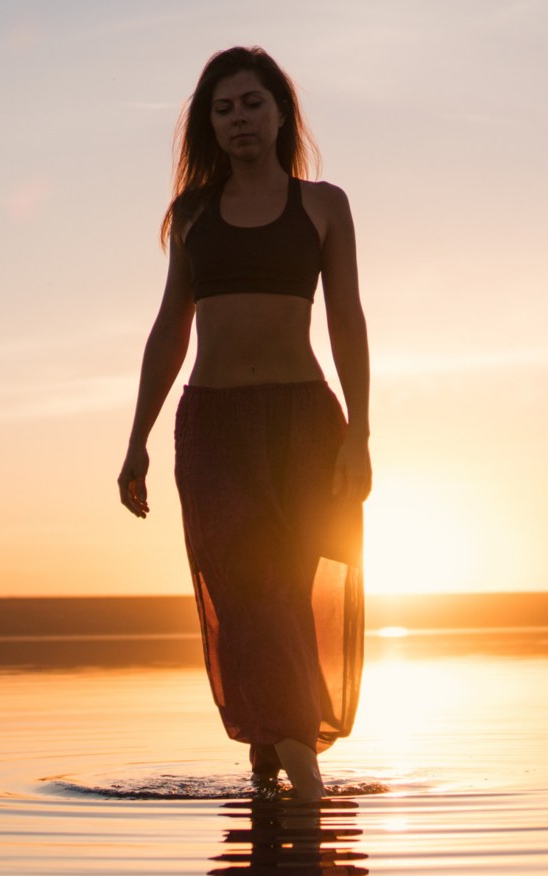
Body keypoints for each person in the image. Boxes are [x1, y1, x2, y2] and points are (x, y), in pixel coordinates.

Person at [117, 46, 371, 802]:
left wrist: (358, 433)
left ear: (280, 112)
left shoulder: (324, 205)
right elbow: (169, 329)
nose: (239, 120)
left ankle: (276, 769)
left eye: (251, 104)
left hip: (304, 424)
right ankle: (304, 783)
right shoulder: (193, 215)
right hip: (214, 430)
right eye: (223, 109)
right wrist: (135, 440)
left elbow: (349, 321)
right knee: (244, 596)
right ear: (209, 125)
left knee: (289, 595)